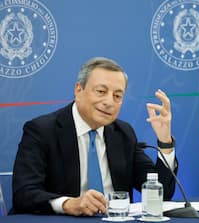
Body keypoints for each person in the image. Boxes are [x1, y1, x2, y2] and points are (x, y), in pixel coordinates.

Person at [11, 57, 177, 215]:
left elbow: (161, 194)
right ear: (78, 89)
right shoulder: (42, 130)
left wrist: (165, 141)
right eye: (101, 91)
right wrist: (68, 204)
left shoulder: (124, 133)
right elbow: (24, 193)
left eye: (117, 96)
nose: (109, 102)